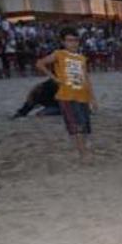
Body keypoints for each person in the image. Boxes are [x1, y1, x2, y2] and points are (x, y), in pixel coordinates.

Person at [35, 28, 97, 162]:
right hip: (67, 96)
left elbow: (86, 78)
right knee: (77, 126)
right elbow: (40, 63)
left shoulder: (81, 58)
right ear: (63, 42)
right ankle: (83, 154)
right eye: (69, 40)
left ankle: (83, 150)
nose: (73, 43)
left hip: (82, 95)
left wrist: (92, 98)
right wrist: (54, 77)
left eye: (75, 40)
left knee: (85, 125)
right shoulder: (59, 54)